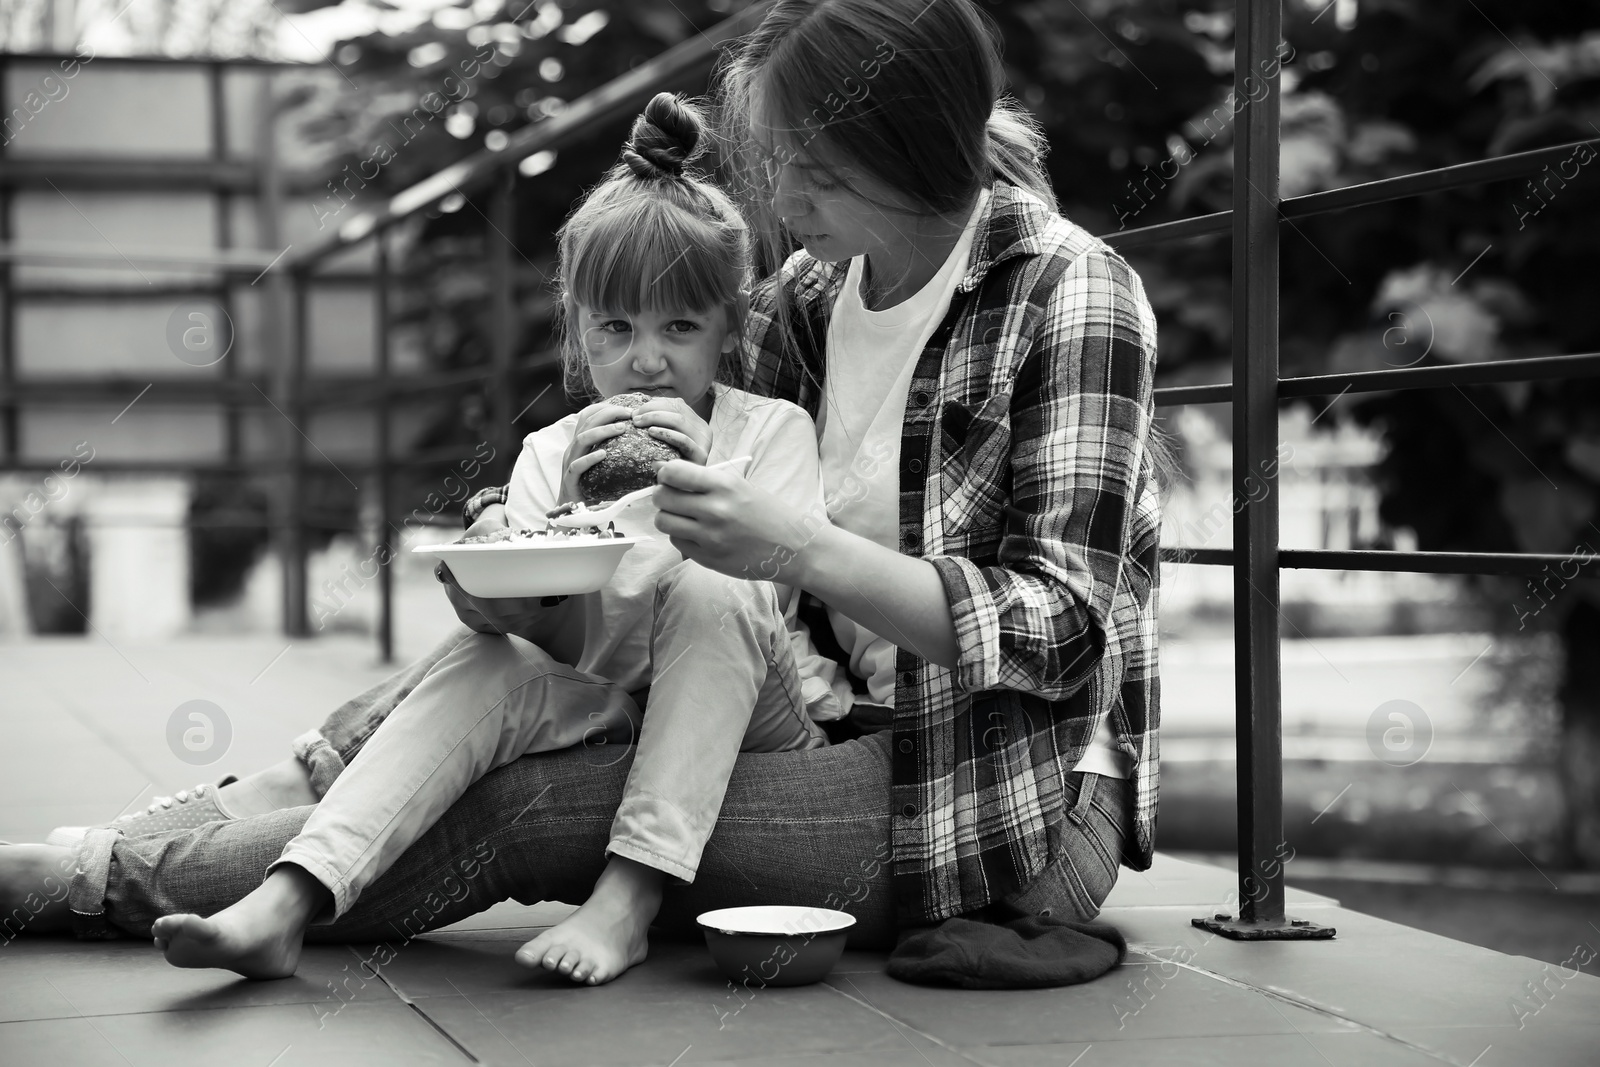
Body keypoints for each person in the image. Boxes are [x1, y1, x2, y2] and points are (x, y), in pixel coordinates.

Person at [1, 0, 1163, 976]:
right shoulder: (814, 296)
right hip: (801, 715)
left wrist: (793, 545)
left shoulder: (1071, 297)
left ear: (910, 152)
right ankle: (199, 822)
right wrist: (531, 558)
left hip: (997, 786)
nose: (784, 206)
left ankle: (87, 881)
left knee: (529, 805)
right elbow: (666, 527)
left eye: (810, 172)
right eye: (777, 169)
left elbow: (1065, 632)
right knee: (492, 665)